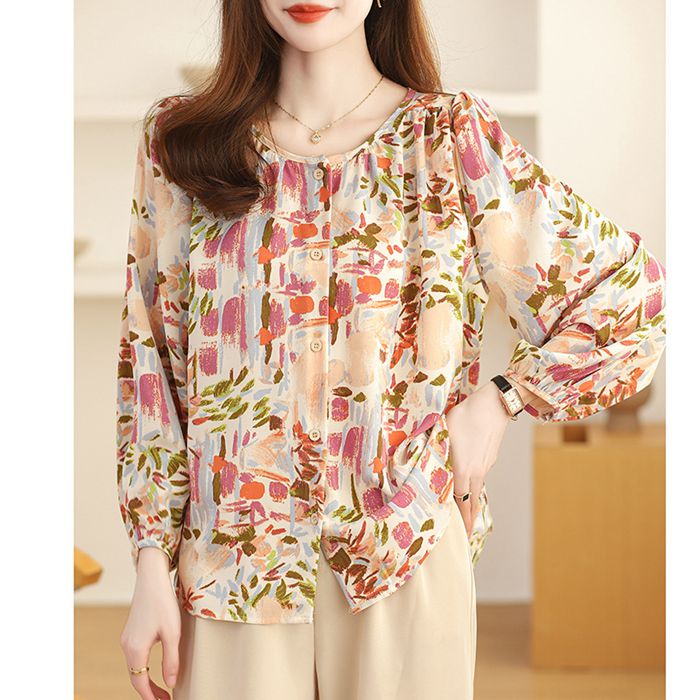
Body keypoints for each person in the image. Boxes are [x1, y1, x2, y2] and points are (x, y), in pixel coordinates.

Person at [114, 1, 667, 698]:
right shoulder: (181, 143)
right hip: (231, 567)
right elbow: (150, 363)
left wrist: (500, 402)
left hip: (403, 551)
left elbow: (630, 297)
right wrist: (150, 563)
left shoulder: (449, 140)